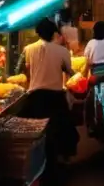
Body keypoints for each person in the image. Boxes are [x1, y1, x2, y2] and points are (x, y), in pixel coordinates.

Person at [23, 18, 79, 161]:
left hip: (34, 96)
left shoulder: (28, 49)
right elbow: (69, 72)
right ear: (54, 34)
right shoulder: (62, 51)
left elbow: (28, 72)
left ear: (38, 33)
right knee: (67, 129)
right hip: (55, 96)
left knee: (31, 131)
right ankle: (65, 156)